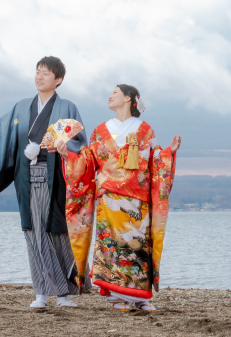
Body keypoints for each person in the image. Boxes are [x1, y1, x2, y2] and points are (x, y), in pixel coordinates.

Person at [0, 56, 87, 309]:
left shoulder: (67, 108)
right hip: (27, 177)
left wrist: (65, 149)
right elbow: (0, 133)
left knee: (58, 232)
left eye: (46, 73)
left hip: (55, 177)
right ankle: (41, 292)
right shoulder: (21, 107)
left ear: (58, 80)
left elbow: (80, 143)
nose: (39, 77)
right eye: (37, 72)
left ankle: (63, 294)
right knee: (33, 233)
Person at [58, 84, 180, 312]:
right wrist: (68, 155)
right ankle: (116, 297)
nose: (110, 95)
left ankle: (141, 298)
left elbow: (154, 160)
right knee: (113, 247)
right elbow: (88, 162)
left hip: (137, 198)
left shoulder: (145, 129)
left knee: (138, 246)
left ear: (128, 99)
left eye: (115, 92)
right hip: (109, 200)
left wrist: (168, 153)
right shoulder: (100, 130)